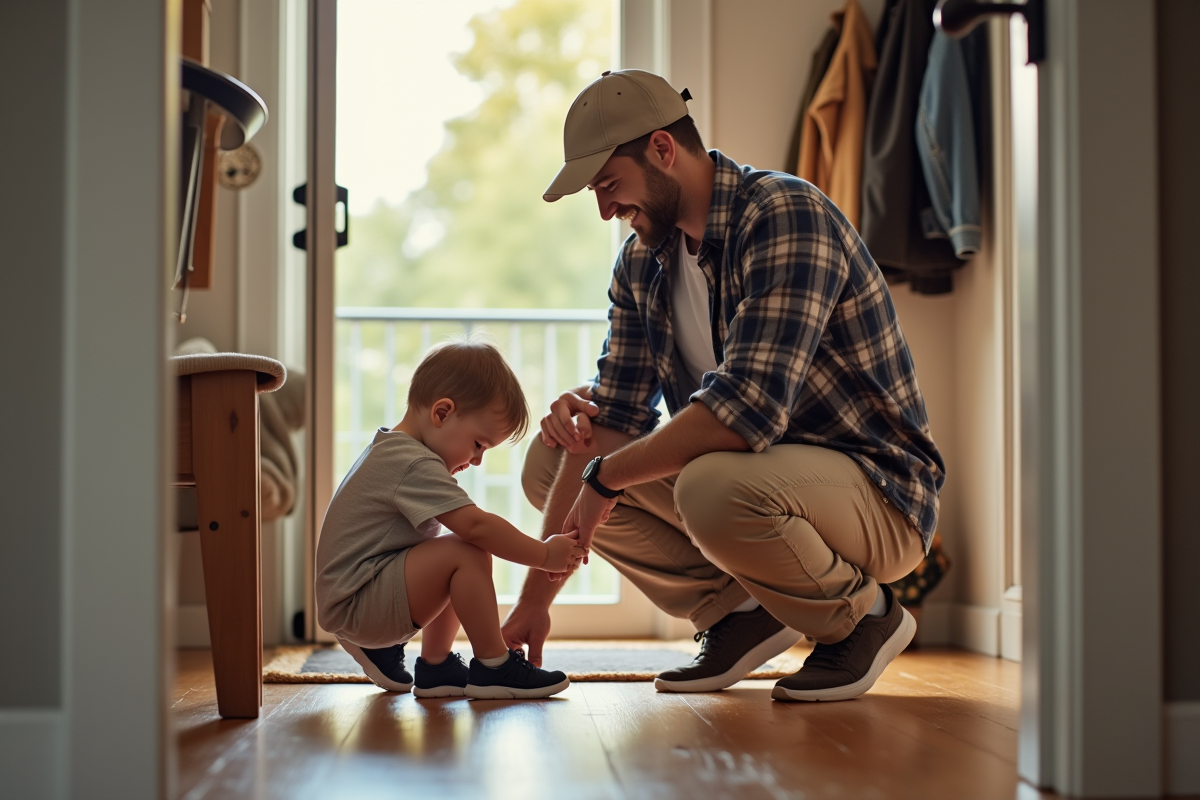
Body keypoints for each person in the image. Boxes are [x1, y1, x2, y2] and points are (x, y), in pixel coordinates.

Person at [501, 69, 946, 702]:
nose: (604, 209)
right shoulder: (639, 263)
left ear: (662, 149)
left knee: (705, 483)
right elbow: (613, 420)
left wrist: (605, 476)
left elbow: (744, 416)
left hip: (879, 493)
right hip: (763, 484)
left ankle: (864, 618)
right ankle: (738, 614)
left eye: (608, 185)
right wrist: (532, 603)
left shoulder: (785, 213)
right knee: (553, 460)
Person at [315, 338, 585, 700]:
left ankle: (436, 667)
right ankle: (494, 667)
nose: (477, 461)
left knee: (451, 551)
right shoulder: (412, 463)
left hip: (358, 596)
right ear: (442, 413)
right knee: (467, 549)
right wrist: (544, 555)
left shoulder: (395, 450)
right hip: (358, 603)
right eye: (479, 444)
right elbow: (478, 526)